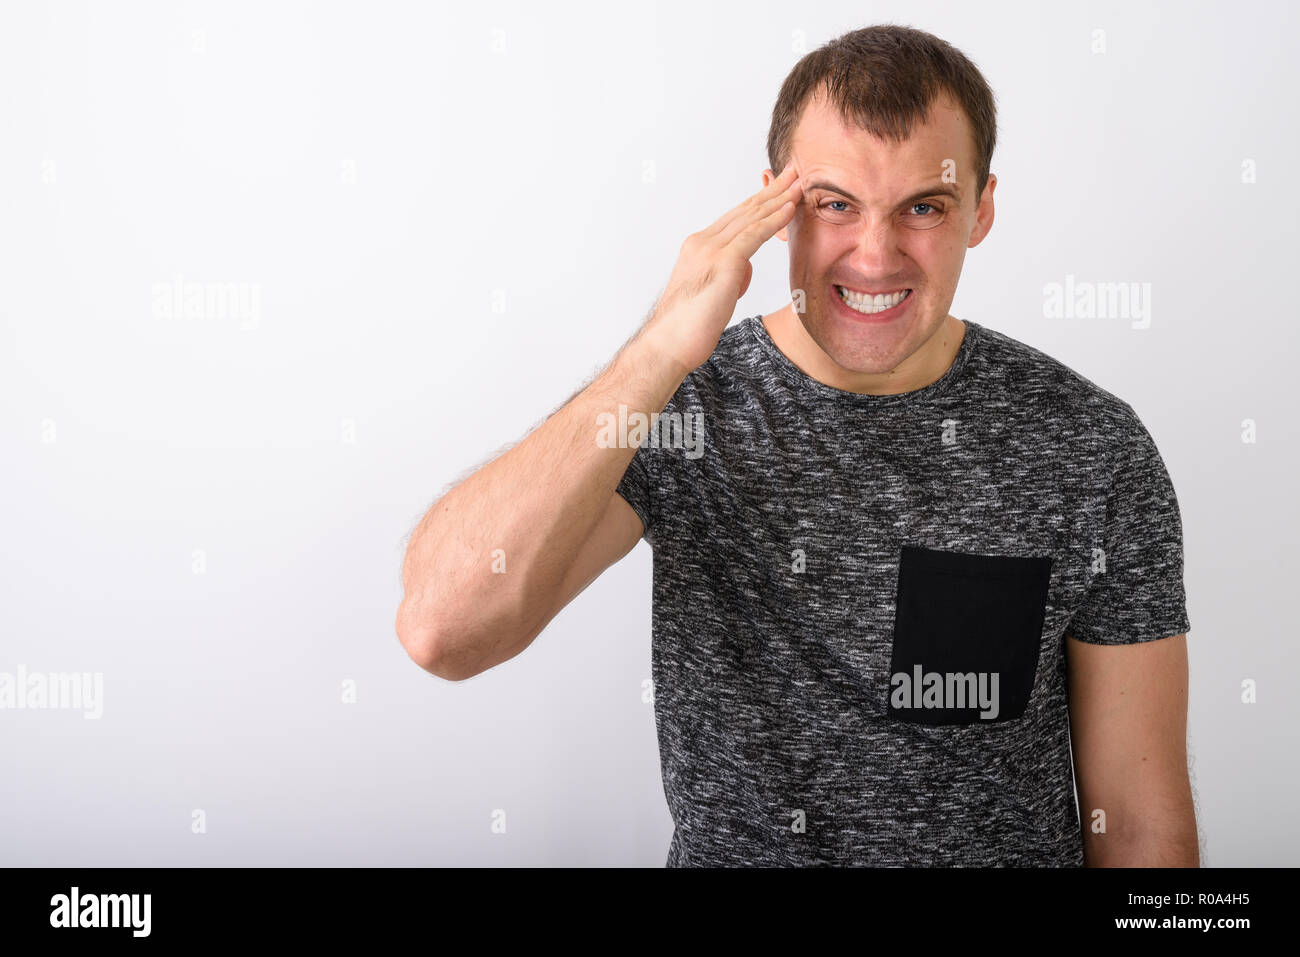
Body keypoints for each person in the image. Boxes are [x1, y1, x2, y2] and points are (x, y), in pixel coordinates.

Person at [396, 24, 1196, 867]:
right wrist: (660, 351)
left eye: (923, 206)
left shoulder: (1090, 446)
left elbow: (1142, 826)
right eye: (834, 204)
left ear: (982, 209)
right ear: (773, 207)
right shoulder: (681, 410)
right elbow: (443, 631)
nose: (876, 255)